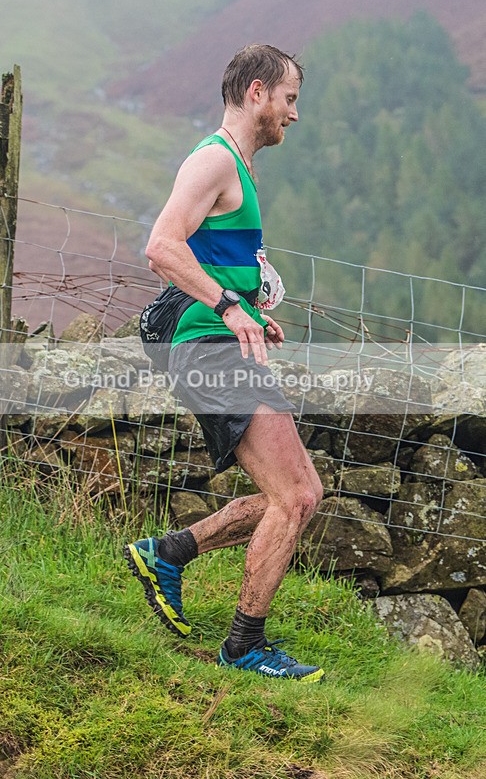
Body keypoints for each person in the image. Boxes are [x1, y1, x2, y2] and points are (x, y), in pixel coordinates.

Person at [125, 44, 324, 682]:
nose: (294, 114)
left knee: (288, 495)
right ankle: (244, 646)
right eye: (290, 99)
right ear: (258, 92)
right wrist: (228, 307)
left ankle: (167, 554)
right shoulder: (215, 159)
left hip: (218, 339)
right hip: (205, 344)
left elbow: (211, 258)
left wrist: (249, 305)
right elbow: (161, 246)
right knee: (297, 495)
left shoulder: (238, 166)